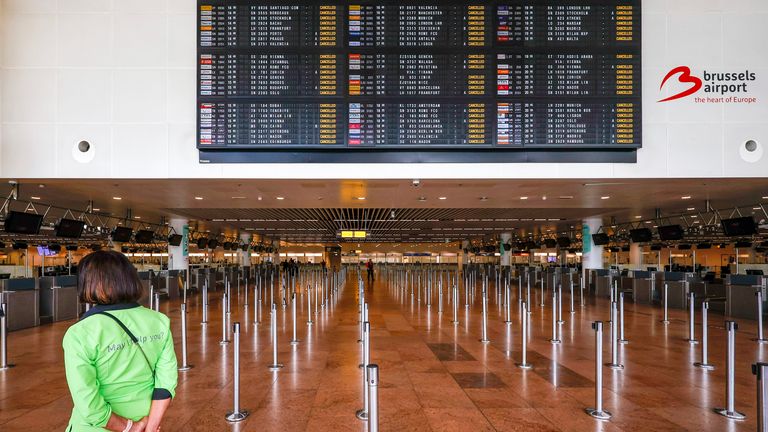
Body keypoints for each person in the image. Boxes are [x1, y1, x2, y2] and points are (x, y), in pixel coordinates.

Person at [63, 250, 178, 432]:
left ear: (89, 283)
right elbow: (166, 382)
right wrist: (151, 426)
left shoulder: (80, 333)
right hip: (147, 419)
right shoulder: (159, 321)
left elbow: (87, 401)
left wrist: (130, 428)